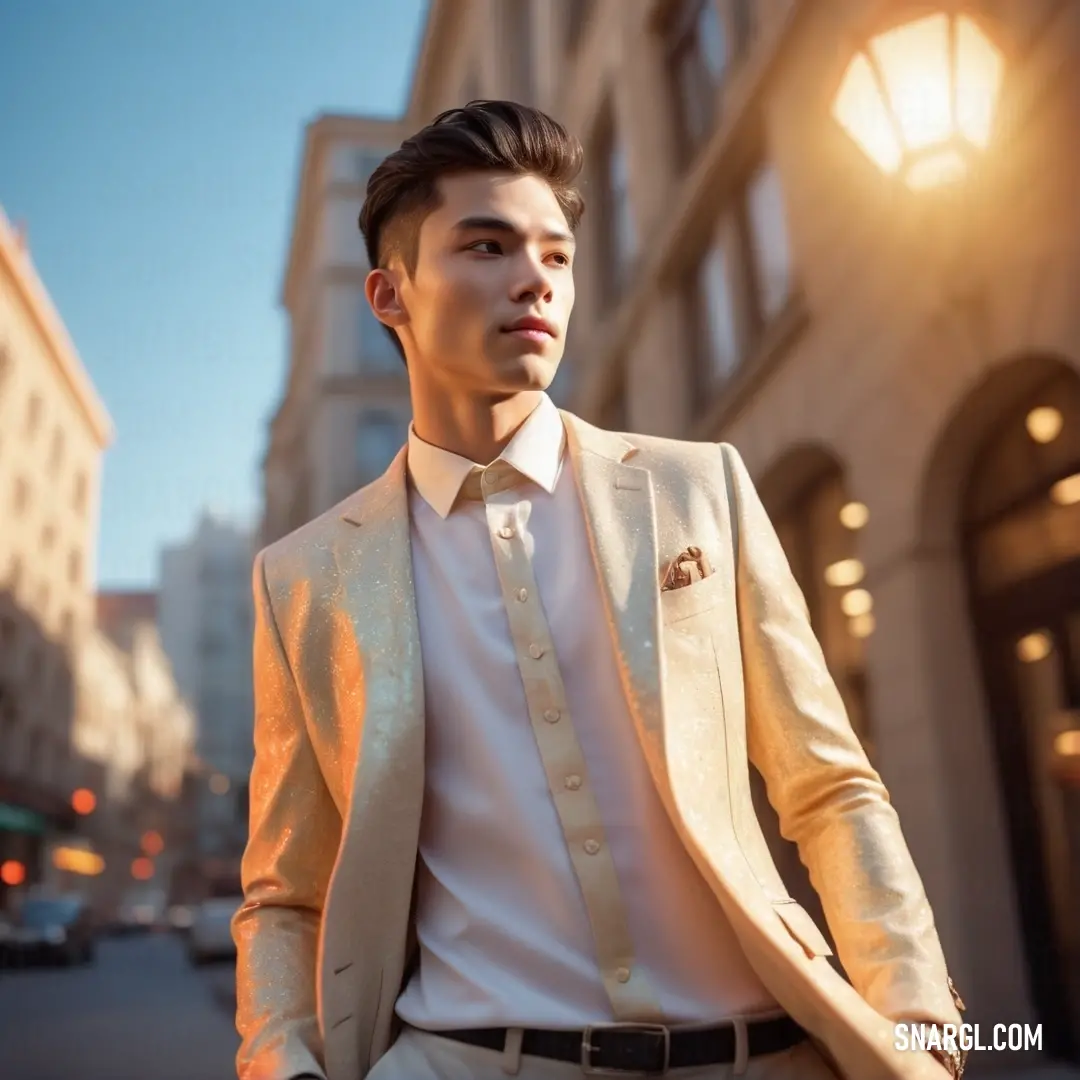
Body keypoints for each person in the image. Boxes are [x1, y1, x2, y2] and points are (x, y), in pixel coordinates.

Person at [232, 100, 965, 1080]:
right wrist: (281, 1063)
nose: (534, 278)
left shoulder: (698, 488)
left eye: (557, 254)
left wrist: (922, 1028)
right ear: (388, 294)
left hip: (760, 1053)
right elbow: (287, 894)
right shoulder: (304, 580)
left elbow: (829, 788)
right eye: (486, 246)